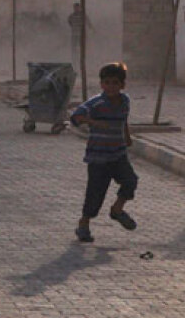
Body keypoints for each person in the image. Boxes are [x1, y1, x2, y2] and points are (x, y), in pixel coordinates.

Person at [68, 62, 137, 243]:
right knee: (95, 193)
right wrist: (95, 123)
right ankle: (83, 225)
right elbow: (76, 117)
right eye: (107, 83)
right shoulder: (96, 103)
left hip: (118, 153)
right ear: (101, 84)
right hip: (98, 157)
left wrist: (127, 137)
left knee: (130, 181)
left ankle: (117, 210)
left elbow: (123, 120)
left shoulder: (125, 101)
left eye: (115, 83)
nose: (111, 87)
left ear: (122, 85)